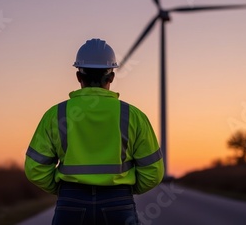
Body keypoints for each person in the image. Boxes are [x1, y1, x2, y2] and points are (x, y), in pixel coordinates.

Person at [25, 38, 164, 225]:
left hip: (70, 203)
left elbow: (35, 169)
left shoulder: (56, 115)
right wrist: (124, 188)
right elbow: (153, 172)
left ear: (78, 76)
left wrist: (64, 189)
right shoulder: (134, 116)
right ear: (112, 77)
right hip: (119, 203)